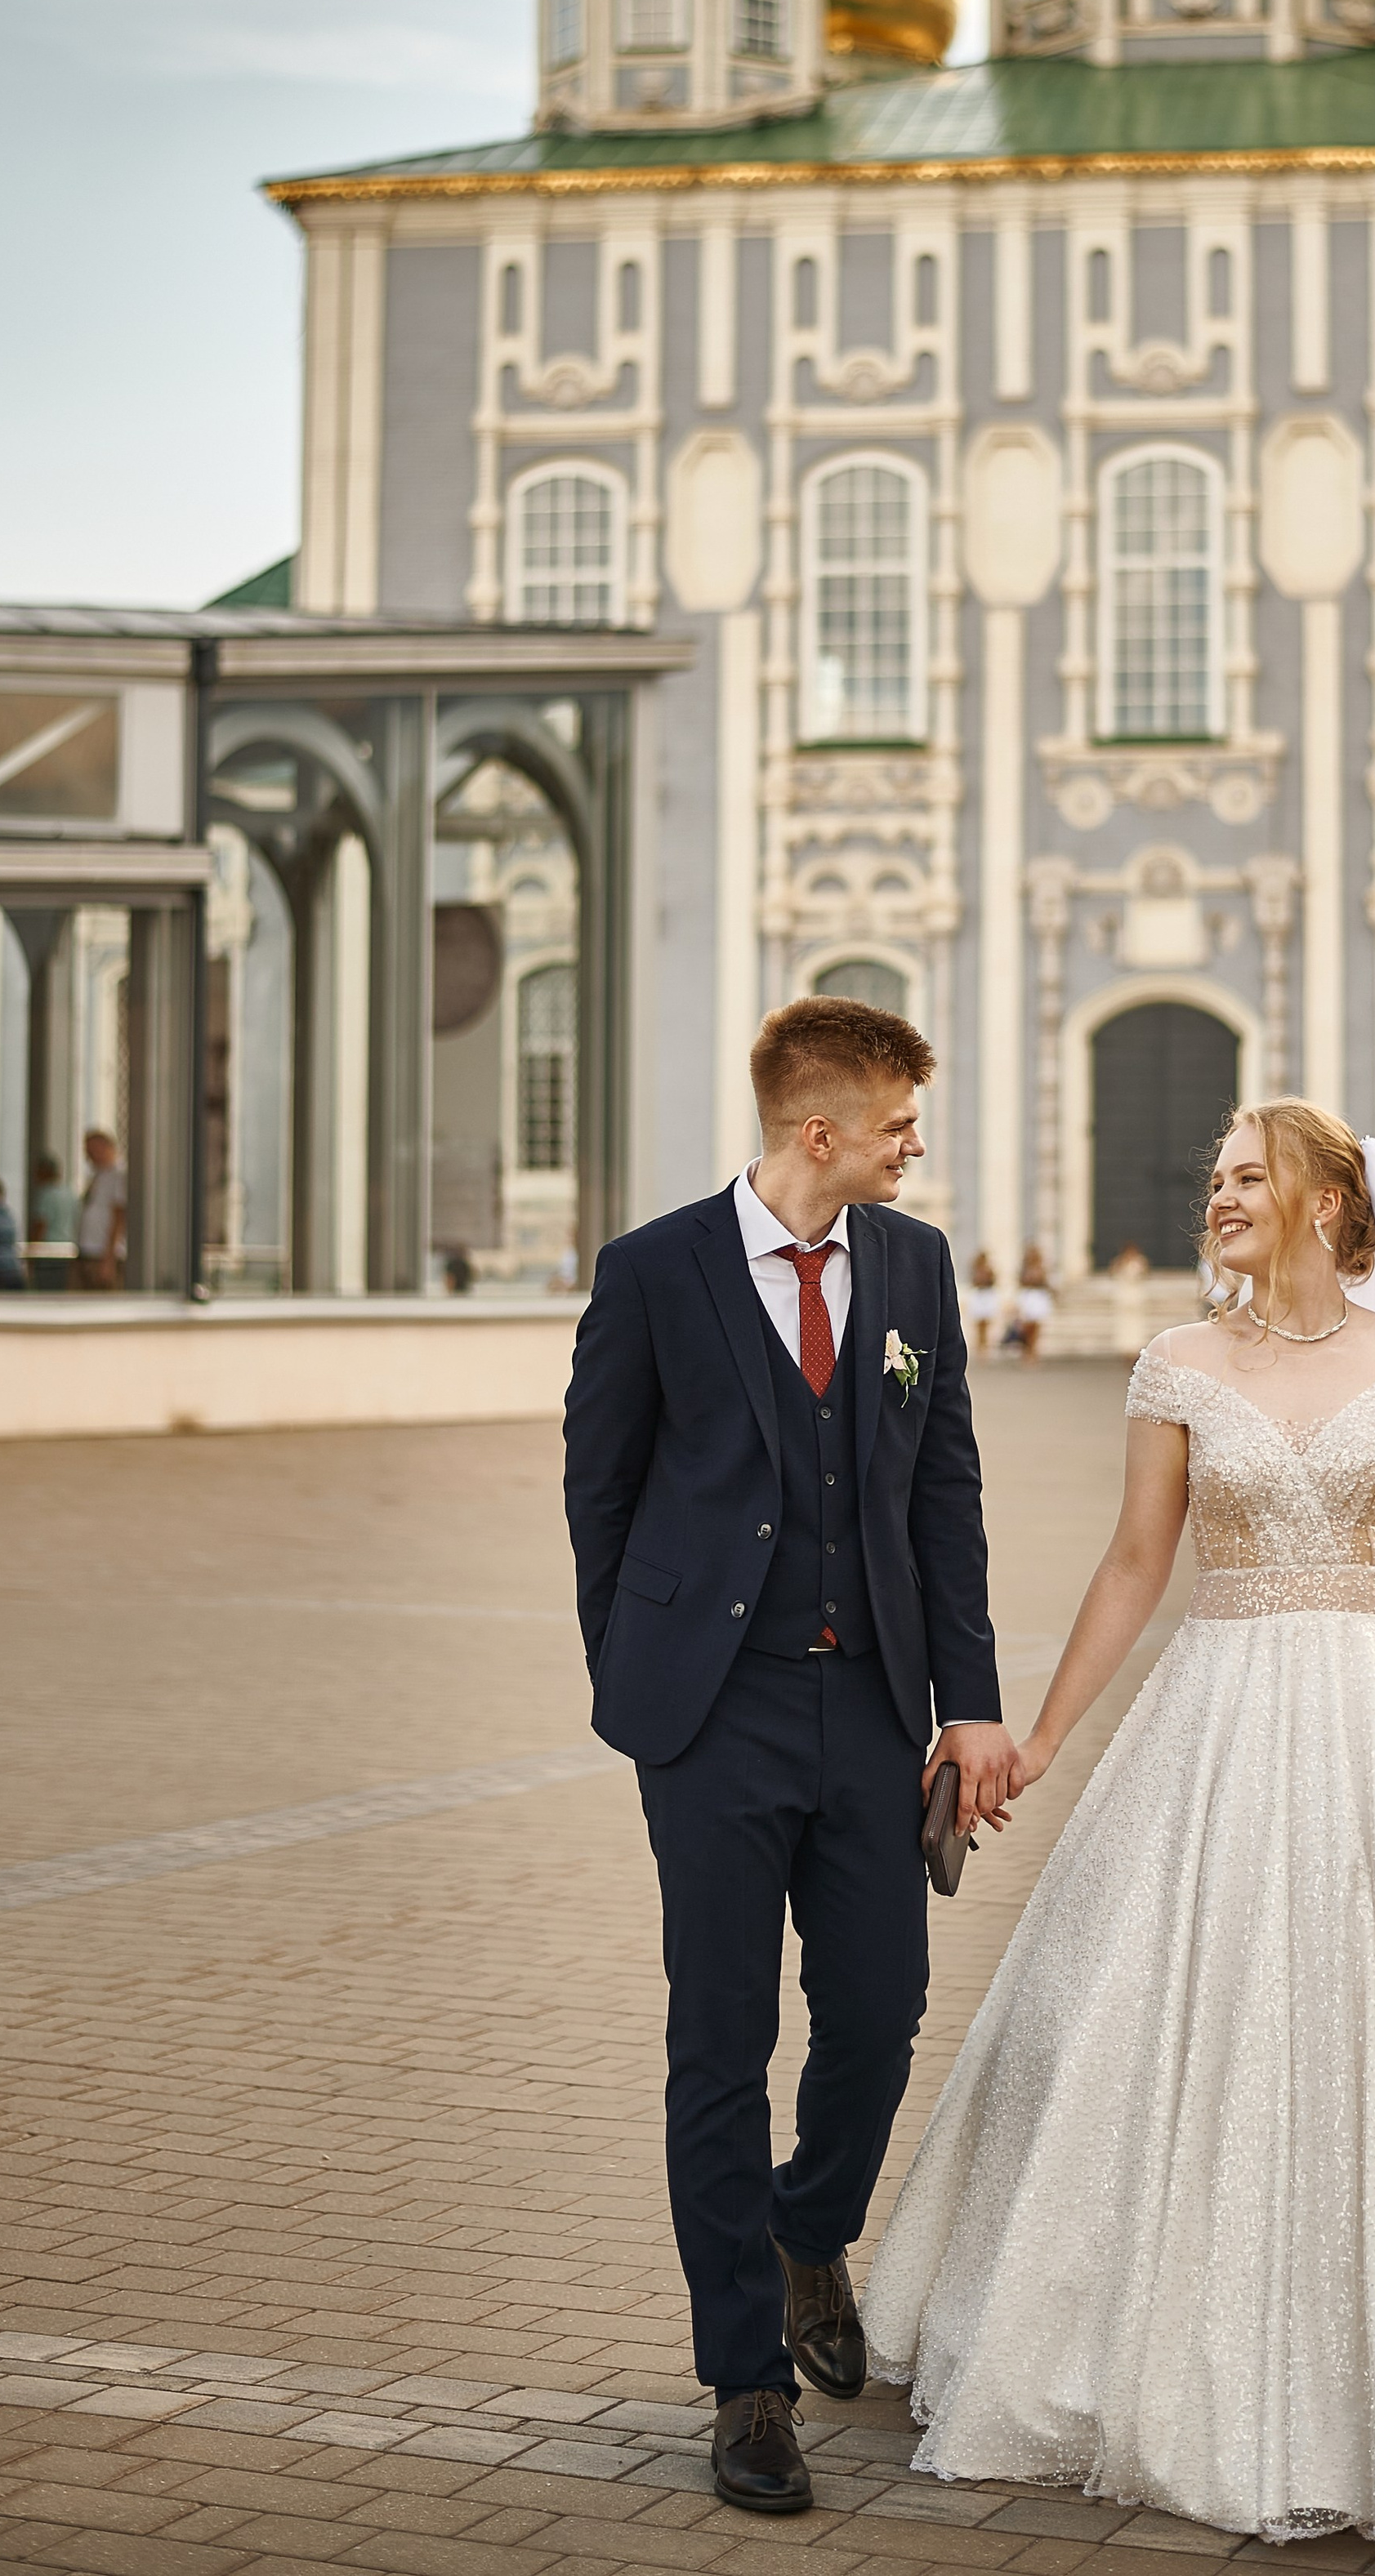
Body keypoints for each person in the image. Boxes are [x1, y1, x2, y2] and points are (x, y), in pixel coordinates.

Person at [864, 1099, 1375, 2543]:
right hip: (1217, 1718)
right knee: (1177, 2009)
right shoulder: (1178, 1362)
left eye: (1251, 1174)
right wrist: (1043, 1736)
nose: (1222, 1193)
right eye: (1217, 1174)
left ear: (1328, 1201)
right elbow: (1135, 1563)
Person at [563, 996, 1016, 2520]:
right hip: (715, 1720)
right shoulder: (653, 1272)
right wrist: (641, 1675)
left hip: (874, 1707)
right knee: (720, 2037)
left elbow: (944, 1491)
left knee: (880, 2010)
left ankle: (808, 2225)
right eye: (898, 1123)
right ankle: (745, 2378)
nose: (915, 1145)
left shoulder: (915, 1267)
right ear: (820, 1130)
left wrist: (969, 1701)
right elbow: (600, 1491)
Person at [72, 1130, 127, 1291]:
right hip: (87, 1249)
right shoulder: (98, 1175)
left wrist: (109, 1258)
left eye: (93, 1151)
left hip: (104, 1252)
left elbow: (119, 1216)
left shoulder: (119, 1175)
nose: (90, 1157)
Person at [1013, 1243, 1054, 1362]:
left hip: (1038, 1297)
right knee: (1027, 1326)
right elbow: (1021, 1282)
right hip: (1028, 1296)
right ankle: (1027, 1349)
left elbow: (1045, 1282)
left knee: (1036, 1326)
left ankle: (1033, 1351)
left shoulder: (1041, 1268)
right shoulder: (1024, 1269)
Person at [964, 1250, 1002, 1357]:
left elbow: (994, 1280)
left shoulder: (989, 1270)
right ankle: (980, 1346)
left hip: (987, 1294)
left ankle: (984, 1346)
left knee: (986, 1322)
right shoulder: (975, 1270)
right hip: (979, 1294)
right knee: (978, 1323)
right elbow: (973, 1281)